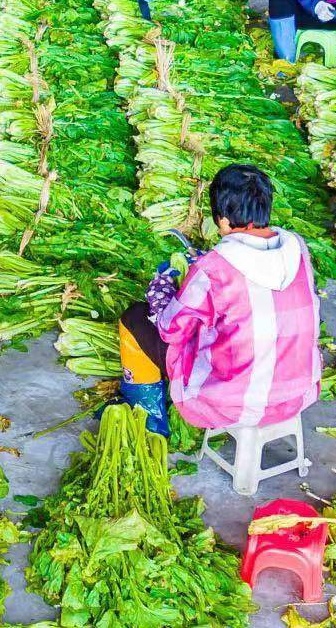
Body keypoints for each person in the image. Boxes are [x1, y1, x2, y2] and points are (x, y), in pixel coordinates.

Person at [115, 165, 322, 438]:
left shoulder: (214, 267)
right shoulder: (297, 247)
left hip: (230, 403)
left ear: (222, 220)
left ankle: (149, 420)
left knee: (134, 319)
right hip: (298, 394)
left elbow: (170, 329)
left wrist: (161, 289)